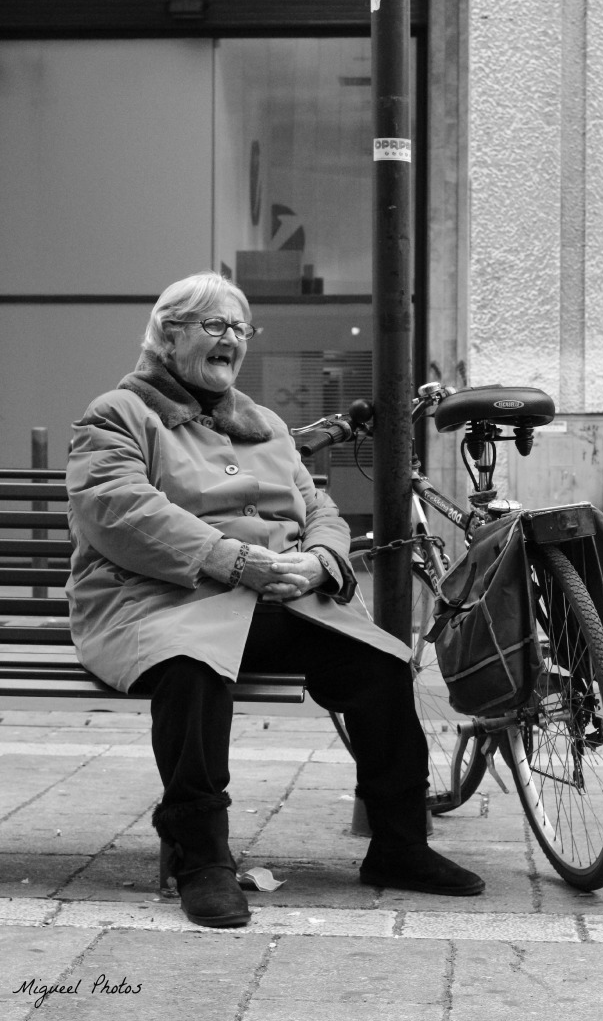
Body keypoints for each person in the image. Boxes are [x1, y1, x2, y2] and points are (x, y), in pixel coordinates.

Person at [66, 270, 485, 929]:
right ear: (169, 335)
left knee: (376, 665)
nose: (231, 338)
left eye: (240, 328)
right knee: (191, 667)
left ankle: (399, 846)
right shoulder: (118, 414)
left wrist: (320, 560)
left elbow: (318, 506)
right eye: (215, 325)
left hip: (271, 600)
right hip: (161, 601)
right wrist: (233, 560)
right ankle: (199, 858)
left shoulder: (261, 423)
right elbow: (116, 509)